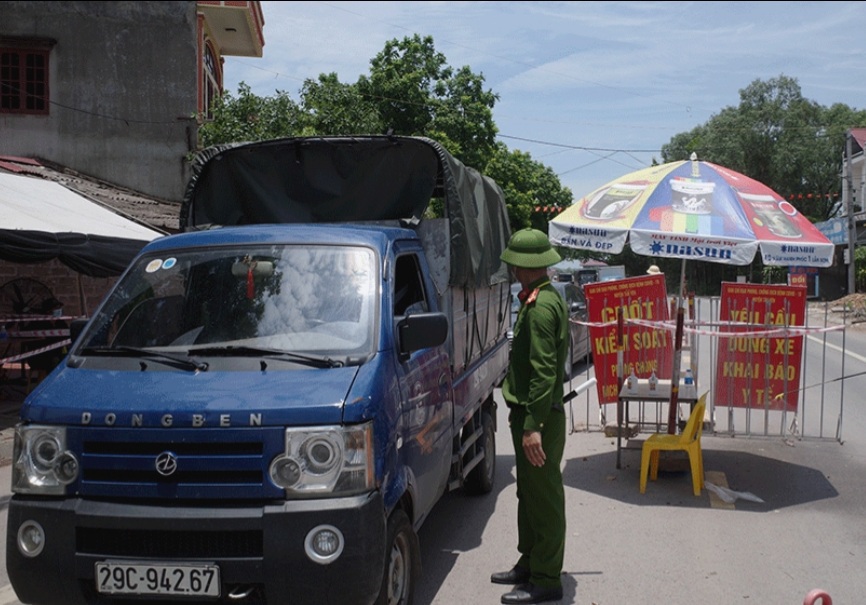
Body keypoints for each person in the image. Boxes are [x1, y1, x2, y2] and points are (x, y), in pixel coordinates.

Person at [493, 228, 568, 605]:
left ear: (524, 266)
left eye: (513, 264)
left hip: (537, 417)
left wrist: (532, 426)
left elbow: (543, 372)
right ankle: (531, 562)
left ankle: (546, 579)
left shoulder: (540, 308)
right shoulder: (541, 298)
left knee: (544, 499)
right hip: (531, 414)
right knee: (530, 495)